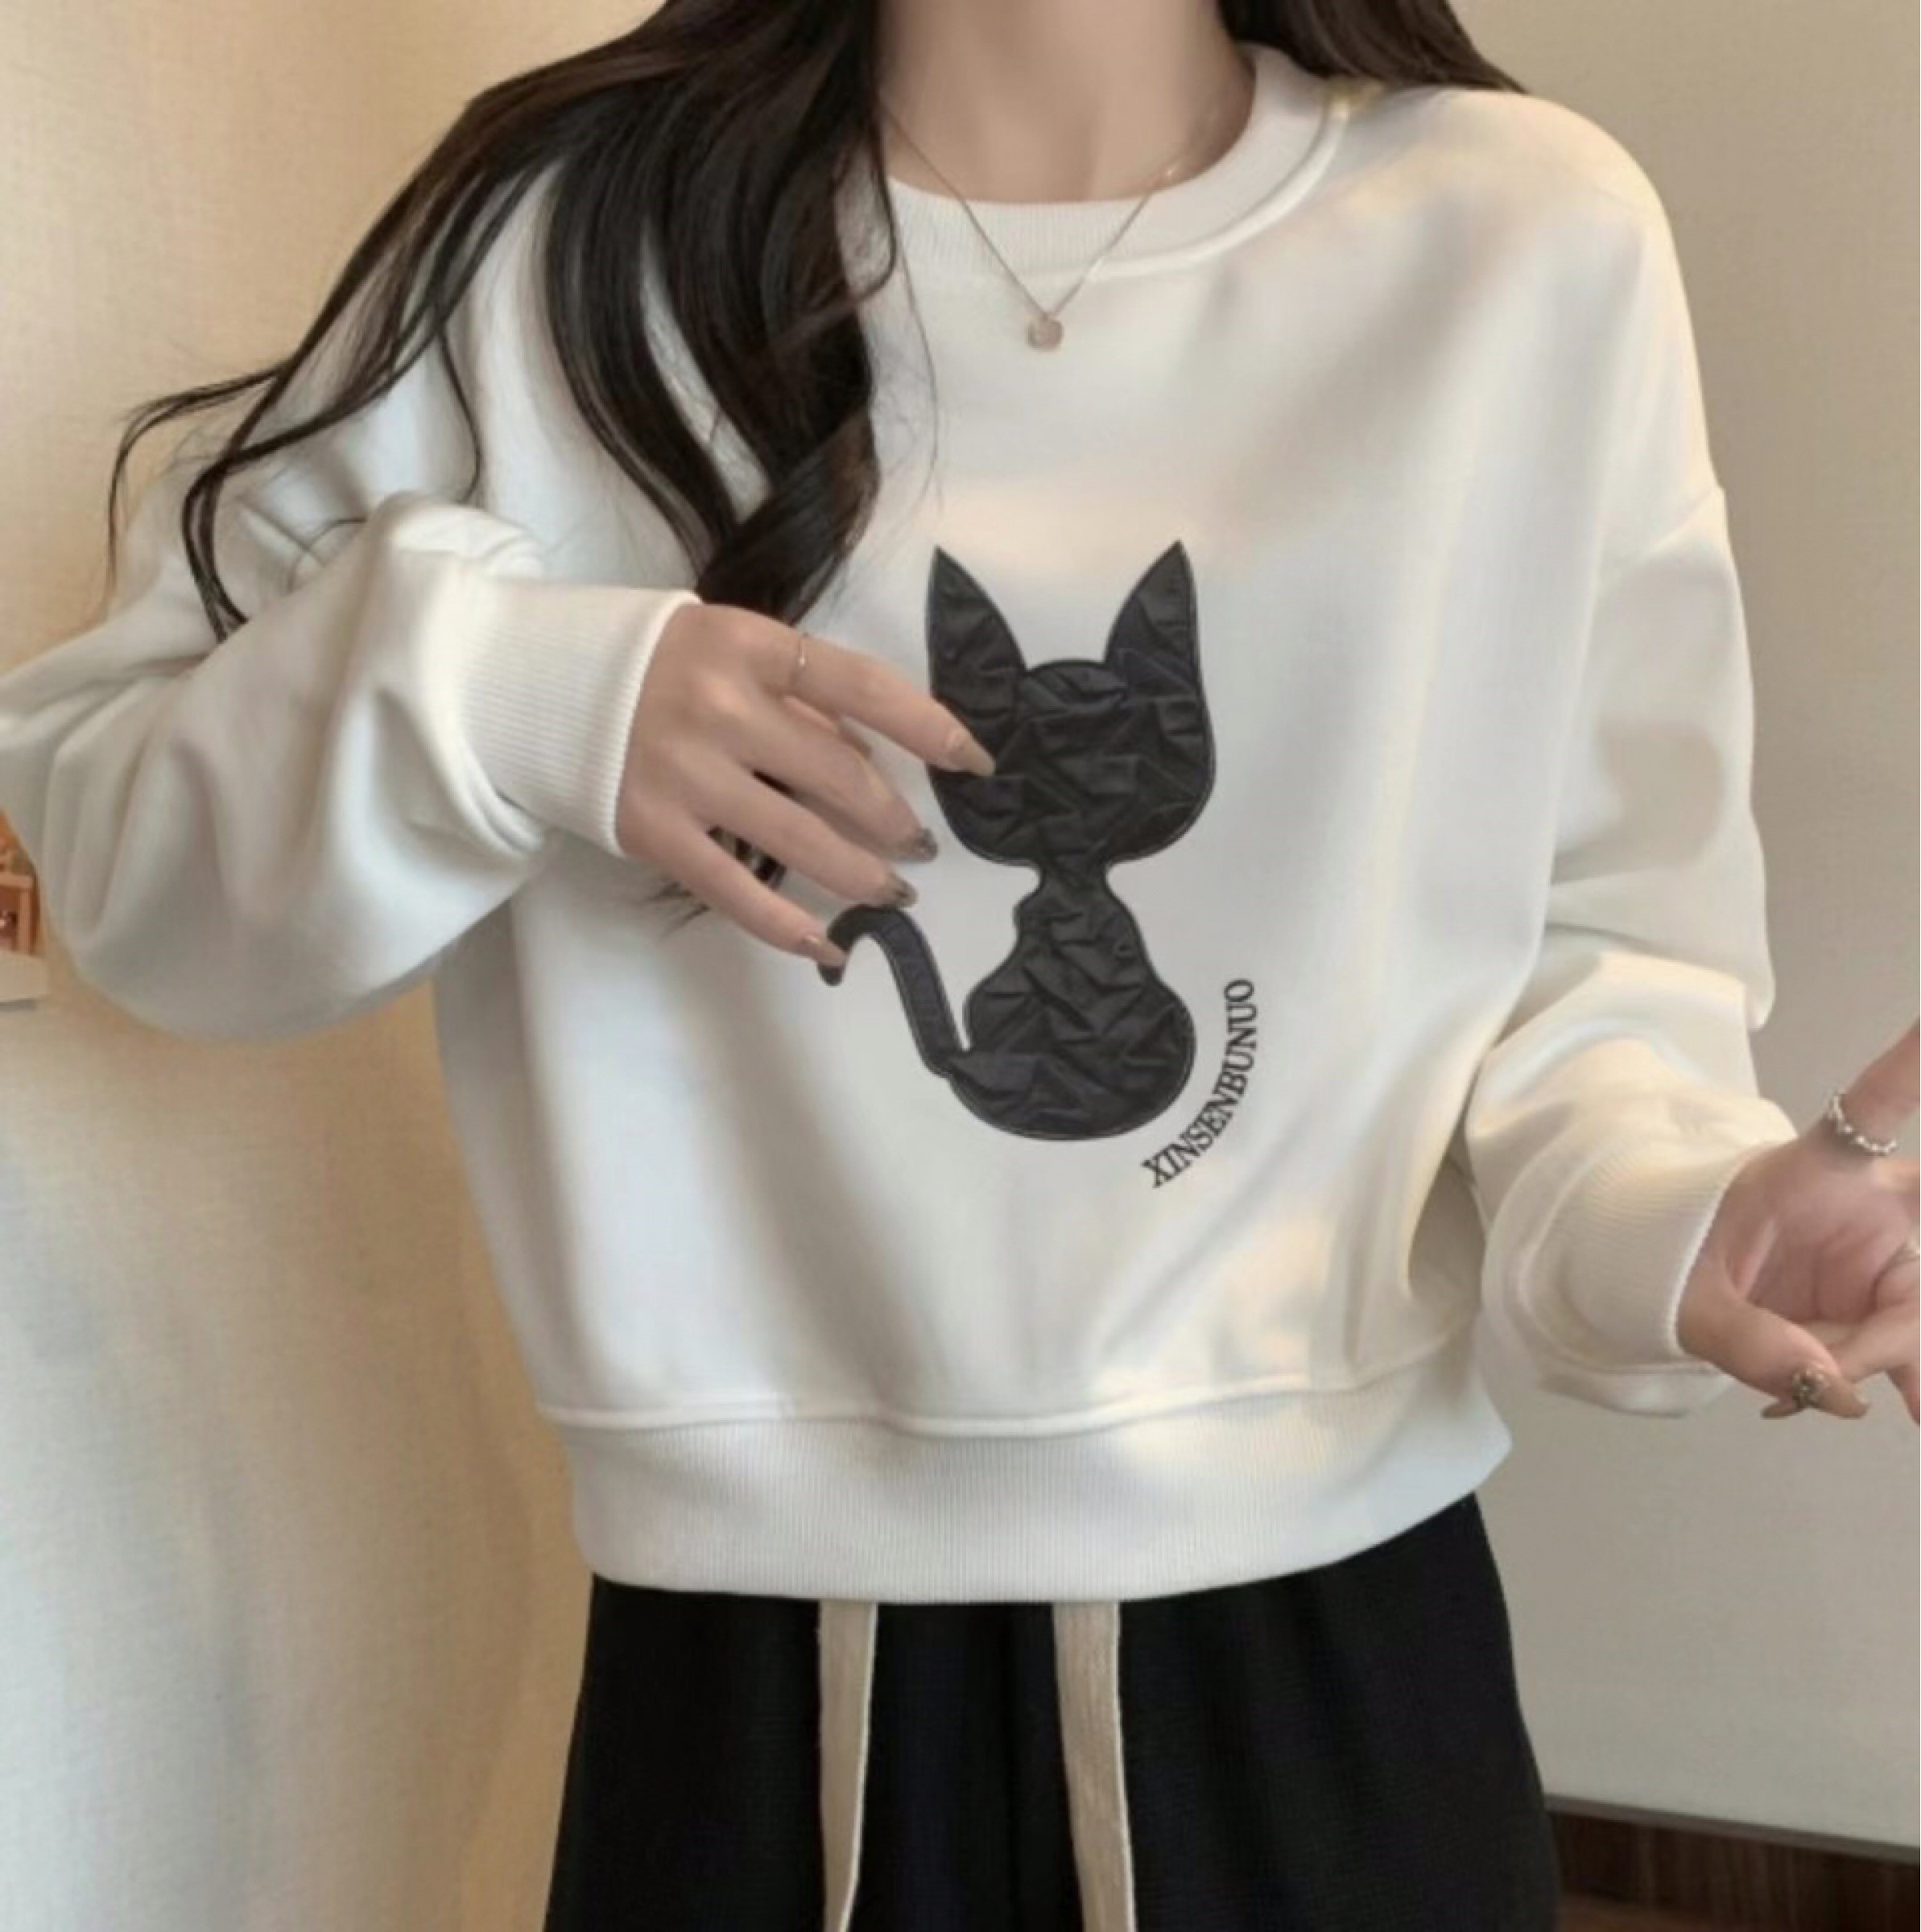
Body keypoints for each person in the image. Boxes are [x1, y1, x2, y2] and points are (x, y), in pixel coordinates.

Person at [2, 2, 1915, 1926]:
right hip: (741, 1692)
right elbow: (125, 857)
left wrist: (1674, 1216)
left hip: (1335, 1667)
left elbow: (1600, 947)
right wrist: (518, 695)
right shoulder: (559, 243)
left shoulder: (1519, 243)